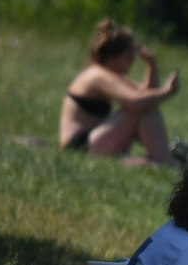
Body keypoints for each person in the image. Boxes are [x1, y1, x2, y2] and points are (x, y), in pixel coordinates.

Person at [60, 19, 179, 166]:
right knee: (139, 108)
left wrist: (151, 64)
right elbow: (136, 101)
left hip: (92, 139)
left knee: (145, 106)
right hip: (80, 146)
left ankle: (162, 159)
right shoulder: (97, 75)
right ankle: (163, 160)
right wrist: (168, 91)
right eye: (129, 54)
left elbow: (146, 94)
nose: (133, 59)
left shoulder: (107, 74)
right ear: (114, 55)